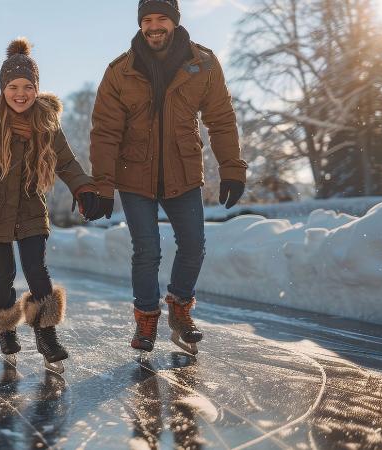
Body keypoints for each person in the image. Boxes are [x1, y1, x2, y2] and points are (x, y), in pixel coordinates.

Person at [88, 0, 248, 354]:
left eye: (162, 18)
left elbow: (220, 119)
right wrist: (102, 185)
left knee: (193, 246)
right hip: (134, 175)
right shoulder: (120, 70)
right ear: (140, 24)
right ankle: (146, 320)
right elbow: (105, 131)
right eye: (147, 19)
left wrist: (232, 168)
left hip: (183, 171)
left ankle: (180, 309)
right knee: (147, 251)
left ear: (174, 21)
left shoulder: (202, 63)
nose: (154, 26)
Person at [0, 37, 100, 373]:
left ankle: (46, 335)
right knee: (4, 273)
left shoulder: (46, 121)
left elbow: (65, 161)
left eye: (28, 87)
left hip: (31, 206)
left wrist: (83, 188)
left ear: (37, 89)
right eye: (14, 86)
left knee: (36, 268)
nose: (21, 93)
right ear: (3, 88)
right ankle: (6, 328)